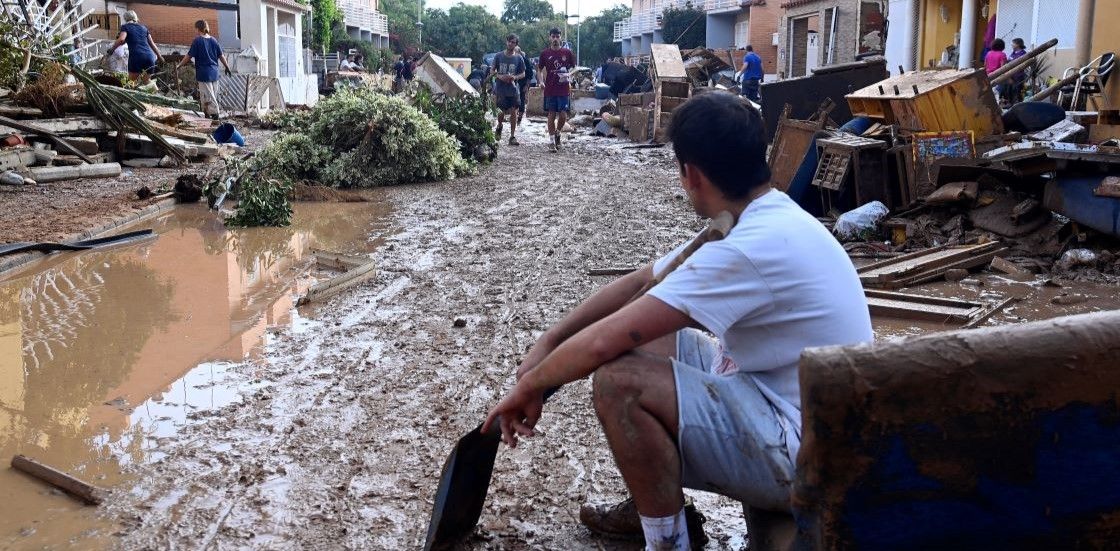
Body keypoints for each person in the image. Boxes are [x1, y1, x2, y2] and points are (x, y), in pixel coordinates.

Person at [483, 92, 873, 551]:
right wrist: (548, 342)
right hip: (800, 411)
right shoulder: (762, 216)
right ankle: (653, 501)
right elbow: (641, 283)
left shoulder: (746, 248)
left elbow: (603, 342)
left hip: (810, 455)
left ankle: (667, 543)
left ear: (691, 174)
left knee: (619, 382)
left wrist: (531, 386)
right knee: (651, 339)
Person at [178, 20, 232, 120]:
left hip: (204, 73)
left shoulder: (197, 41)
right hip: (215, 72)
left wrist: (180, 65)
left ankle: (215, 115)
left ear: (198, 29)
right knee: (212, 95)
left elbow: (189, 56)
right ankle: (208, 116)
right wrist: (227, 67)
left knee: (207, 95)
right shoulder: (214, 40)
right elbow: (221, 56)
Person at [538, 27, 575, 153]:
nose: (555, 39)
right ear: (550, 38)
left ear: (561, 38)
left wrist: (569, 76)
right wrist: (541, 81)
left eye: (557, 36)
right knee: (551, 114)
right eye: (553, 36)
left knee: (563, 114)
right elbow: (539, 69)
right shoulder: (545, 54)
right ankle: (551, 141)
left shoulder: (567, 53)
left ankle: (558, 132)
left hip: (564, 88)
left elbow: (575, 69)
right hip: (550, 88)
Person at [106, 10, 164, 83]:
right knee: (146, 83)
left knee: (131, 83)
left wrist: (112, 49)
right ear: (136, 18)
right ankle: (155, 93)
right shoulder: (144, 28)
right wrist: (159, 57)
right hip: (150, 57)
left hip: (137, 57)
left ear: (126, 19)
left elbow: (121, 39)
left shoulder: (126, 27)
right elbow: (152, 44)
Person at [492, 34, 526, 146]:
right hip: (501, 88)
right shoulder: (498, 56)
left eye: (513, 42)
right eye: (509, 41)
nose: (511, 44)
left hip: (513, 89)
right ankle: (499, 126)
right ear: (506, 42)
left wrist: (515, 77)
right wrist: (500, 76)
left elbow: (523, 73)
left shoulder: (519, 58)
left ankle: (512, 136)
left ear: (516, 44)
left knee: (514, 112)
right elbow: (492, 71)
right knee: (501, 112)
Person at [985, 38, 1009, 105]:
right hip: (998, 76)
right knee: (997, 94)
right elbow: (1003, 67)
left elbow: (985, 65)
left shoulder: (988, 53)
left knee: (991, 93)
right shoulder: (1002, 55)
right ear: (1002, 46)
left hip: (989, 75)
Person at [514, 46, 534, 124]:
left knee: (522, 99)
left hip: (523, 83)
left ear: (519, 52)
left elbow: (530, 73)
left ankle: (520, 116)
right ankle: (514, 116)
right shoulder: (512, 59)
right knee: (513, 99)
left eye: (516, 51)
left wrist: (527, 85)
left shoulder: (525, 60)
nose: (514, 53)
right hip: (513, 83)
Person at [1007, 38, 1027, 104]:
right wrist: (1009, 77)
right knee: (1009, 92)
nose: (1011, 45)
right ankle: (1010, 104)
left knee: (1018, 92)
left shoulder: (1023, 54)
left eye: (1013, 43)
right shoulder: (1012, 53)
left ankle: (1018, 105)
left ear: (1018, 44)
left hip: (1018, 77)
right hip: (1010, 76)